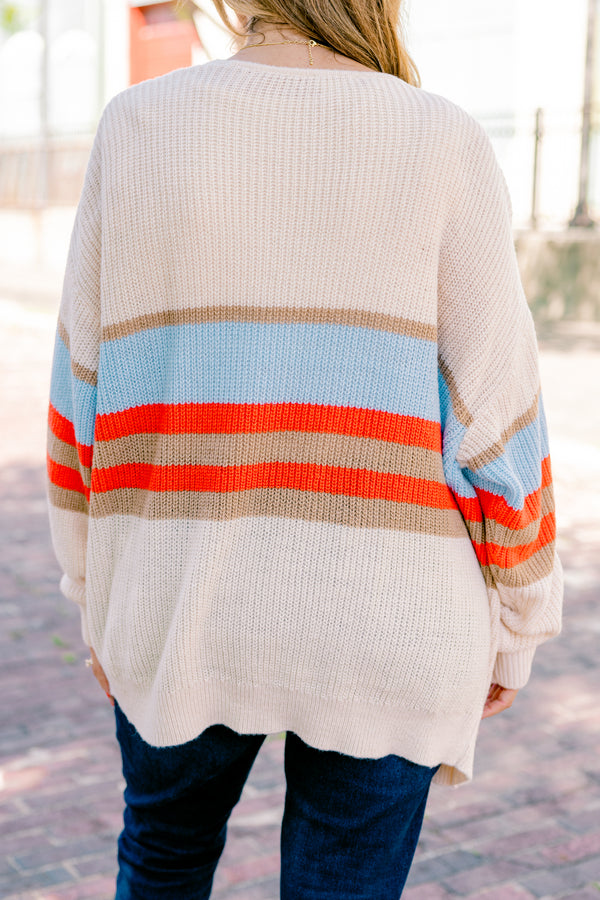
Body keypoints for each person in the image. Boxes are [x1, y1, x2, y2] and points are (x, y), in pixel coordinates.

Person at [45, 0, 563, 896]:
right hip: (391, 619)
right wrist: (519, 619)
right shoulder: (441, 140)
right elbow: (499, 417)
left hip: (179, 603)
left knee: (163, 859)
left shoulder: (138, 126)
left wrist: (97, 593)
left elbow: (81, 395)